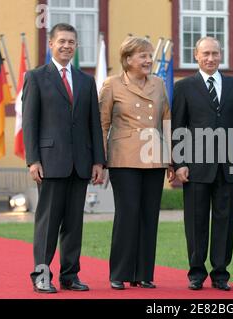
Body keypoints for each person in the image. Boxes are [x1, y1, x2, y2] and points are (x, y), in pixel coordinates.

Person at [22, 23, 105, 293]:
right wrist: (33, 160)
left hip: (80, 164)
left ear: (77, 46)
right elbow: (30, 122)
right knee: (47, 225)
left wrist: (97, 161)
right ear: (51, 44)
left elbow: (94, 124)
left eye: (71, 41)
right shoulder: (36, 77)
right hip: (49, 163)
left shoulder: (85, 80)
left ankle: (70, 276)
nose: (67, 46)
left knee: (73, 224)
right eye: (62, 41)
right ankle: (41, 276)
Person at [171, 36, 233, 291]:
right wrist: (180, 162)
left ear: (221, 55)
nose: (210, 58)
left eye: (215, 54)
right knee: (196, 221)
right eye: (205, 53)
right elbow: (178, 126)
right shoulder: (185, 86)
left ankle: (221, 274)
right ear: (196, 55)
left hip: (228, 165)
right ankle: (196, 273)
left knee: (225, 220)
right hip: (196, 166)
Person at [98, 36, 174, 290]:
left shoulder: (159, 83)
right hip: (124, 158)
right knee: (127, 214)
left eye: (149, 55)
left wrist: (172, 158)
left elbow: (167, 122)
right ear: (128, 59)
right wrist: (100, 160)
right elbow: (102, 124)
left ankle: (143, 274)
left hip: (154, 157)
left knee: (148, 216)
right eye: (142, 56)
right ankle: (119, 273)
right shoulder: (112, 85)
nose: (148, 60)